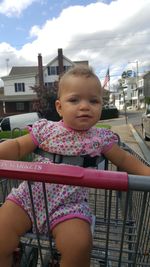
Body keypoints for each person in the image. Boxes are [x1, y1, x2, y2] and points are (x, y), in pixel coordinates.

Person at [0, 65, 149, 267]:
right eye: (74, 100)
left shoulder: (101, 139)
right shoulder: (45, 130)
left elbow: (124, 160)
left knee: (79, 244)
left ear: (101, 106)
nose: (85, 106)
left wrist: (147, 173)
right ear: (60, 107)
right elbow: (17, 146)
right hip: (29, 197)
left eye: (93, 101)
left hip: (70, 205)